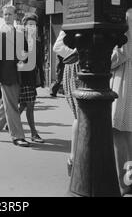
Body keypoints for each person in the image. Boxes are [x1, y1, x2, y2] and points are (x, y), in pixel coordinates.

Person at [0, 5, 31, 147]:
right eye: (5, 14)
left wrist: (23, 58)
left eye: (10, 14)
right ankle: (17, 136)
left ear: (15, 16)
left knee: (7, 105)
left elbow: (26, 52)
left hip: (17, 74)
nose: (7, 17)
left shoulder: (20, 33)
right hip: (5, 75)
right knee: (13, 107)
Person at [111, 5, 132, 196]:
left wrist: (104, 60)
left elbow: (124, 50)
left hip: (127, 78)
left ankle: (125, 185)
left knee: (121, 132)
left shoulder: (129, 16)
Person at [53, 30, 79, 176]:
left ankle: (75, 158)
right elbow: (57, 46)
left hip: (82, 68)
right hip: (77, 68)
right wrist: (78, 54)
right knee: (80, 114)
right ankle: (73, 158)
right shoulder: (70, 24)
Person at [18, 14, 45, 144]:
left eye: (33, 25)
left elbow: (40, 62)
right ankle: (34, 133)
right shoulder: (19, 41)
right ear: (24, 26)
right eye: (29, 24)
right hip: (22, 78)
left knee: (24, 104)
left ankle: (9, 122)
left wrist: (42, 79)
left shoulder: (38, 42)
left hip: (32, 79)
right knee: (30, 105)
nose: (32, 27)